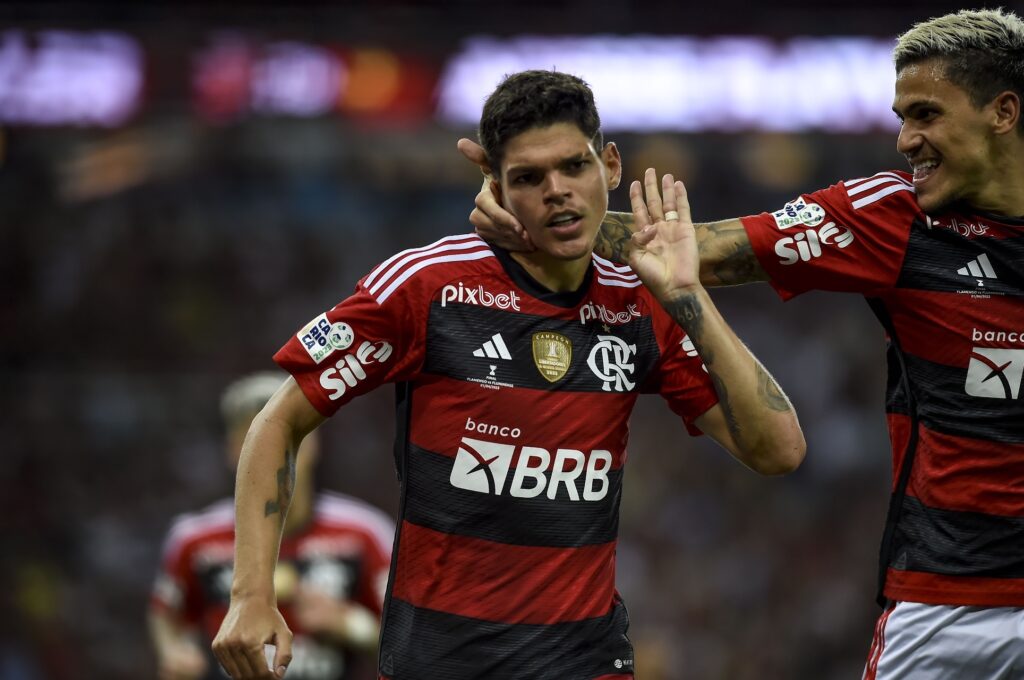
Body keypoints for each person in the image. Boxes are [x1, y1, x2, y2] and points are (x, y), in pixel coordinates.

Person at [462, 8, 1024, 679]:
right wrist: (541, 215)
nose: (905, 139)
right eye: (902, 116)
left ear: (1003, 111)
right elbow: (698, 250)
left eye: (926, 115)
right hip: (946, 605)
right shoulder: (893, 218)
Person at [211, 70, 805, 680]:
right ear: (494, 186)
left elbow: (779, 449)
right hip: (440, 661)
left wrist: (689, 295)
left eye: (574, 166)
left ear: (611, 164)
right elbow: (278, 419)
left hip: (587, 659)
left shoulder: (641, 302)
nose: (558, 192)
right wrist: (252, 596)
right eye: (528, 178)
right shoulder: (427, 287)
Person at [150, 372, 394, 680]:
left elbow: (406, 638)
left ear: (314, 443)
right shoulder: (194, 538)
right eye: (254, 440)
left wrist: (348, 624)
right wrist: (175, 652)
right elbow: (168, 615)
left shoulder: (364, 532)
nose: (273, 455)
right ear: (232, 450)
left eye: (288, 439)